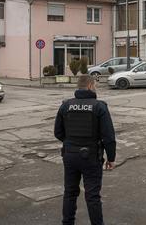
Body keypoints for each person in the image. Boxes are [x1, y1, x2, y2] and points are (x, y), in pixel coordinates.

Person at [54, 75, 116, 225]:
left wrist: (71, 144)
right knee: (92, 196)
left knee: (70, 193)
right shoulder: (99, 106)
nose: (95, 88)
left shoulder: (65, 105)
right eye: (95, 85)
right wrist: (111, 158)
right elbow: (108, 136)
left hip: (70, 156)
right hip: (91, 157)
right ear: (89, 86)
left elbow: (58, 132)